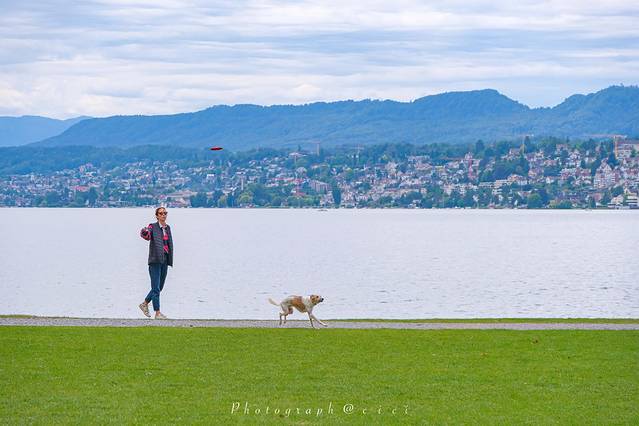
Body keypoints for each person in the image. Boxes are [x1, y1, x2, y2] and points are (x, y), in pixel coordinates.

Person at [139, 207, 173, 319]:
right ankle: (157, 313)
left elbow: (169, 244)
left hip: (165, 260)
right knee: (156, 288)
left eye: (165, 213)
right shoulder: (152, 227)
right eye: (161, 213)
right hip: (155, 261)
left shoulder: (167, 228)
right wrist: (144, 231)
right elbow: (146, 235)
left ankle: (144, 303)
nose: (163, 215)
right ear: (157, 216)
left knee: (159, 287)